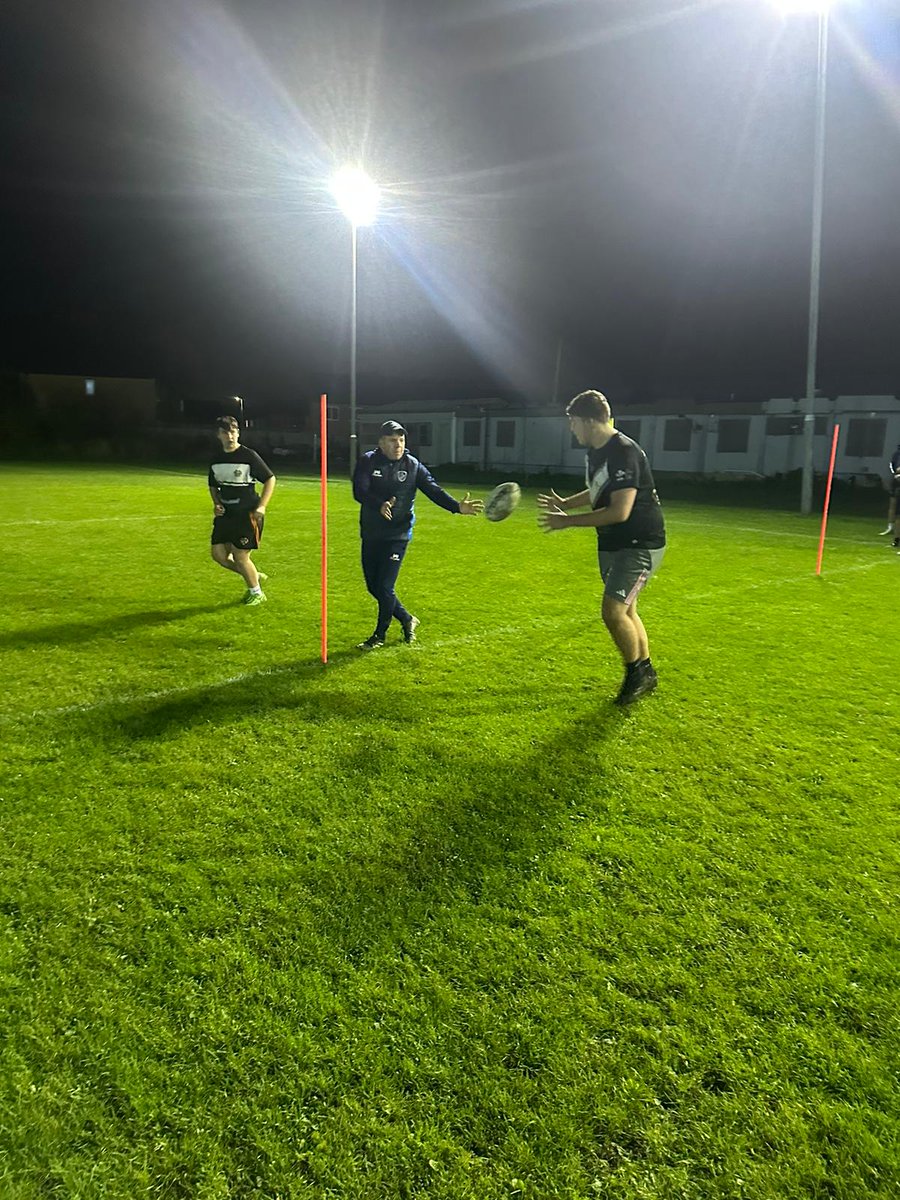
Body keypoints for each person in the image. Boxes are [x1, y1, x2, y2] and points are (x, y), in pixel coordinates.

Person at [537, 390, 666, 706]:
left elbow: (620, 511)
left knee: (613, 611)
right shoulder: (597, 451)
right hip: (613, 543)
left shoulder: (624, 452)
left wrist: (567, 522)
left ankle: (635, 673)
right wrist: (565, 503)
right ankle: (646, 671)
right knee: (627, 610)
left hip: (640, 545)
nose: (572, 430)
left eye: (572, 423)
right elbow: (599, 489)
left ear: (586, 420)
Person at [352, 420, 483, 648]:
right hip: (372, 533)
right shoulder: (368, 461)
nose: (398, 445)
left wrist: (457, 507)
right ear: (381, 442)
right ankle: (407, 619)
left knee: (384, 586)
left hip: (398, 535)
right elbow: (359, 490)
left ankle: (379, 636)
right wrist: (379, 504)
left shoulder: (412, 465)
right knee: (373, 587)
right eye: (393, 440)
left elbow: (434, 490)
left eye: (401, 440)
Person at [208, 415, 276, 605]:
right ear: (218, 435)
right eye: (225, 432)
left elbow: (270, 479)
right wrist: (216, 503)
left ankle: (256, 593)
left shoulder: (248, 456)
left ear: (238, 433)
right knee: (219, 555)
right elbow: (213, 485)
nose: (230, 436)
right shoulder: (216, 459)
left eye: (233, 431)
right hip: (226, 515)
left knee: (240, 555)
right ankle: (253, 575)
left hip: (247, 513)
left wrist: (262, 506)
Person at [883, 442, 900, 544]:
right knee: (894, 508)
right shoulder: (897, 454)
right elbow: (893, 467)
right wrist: (896, 474)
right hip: (897, 485)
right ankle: (891, 529)